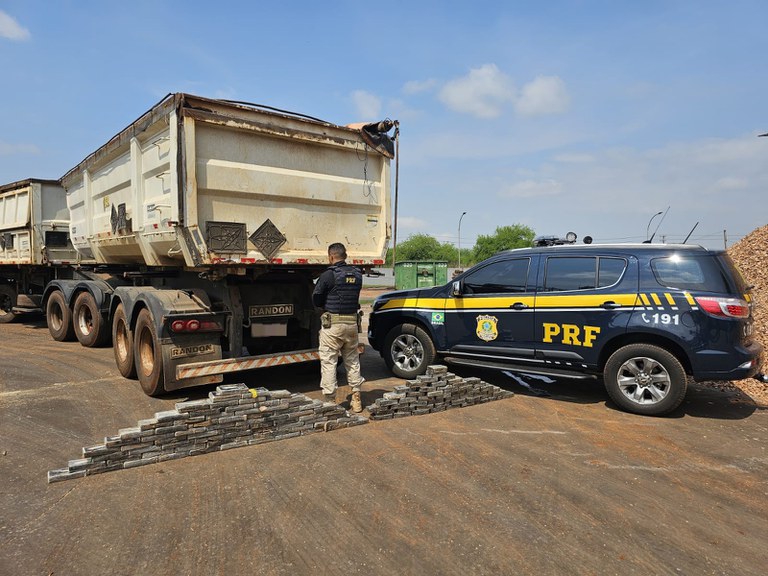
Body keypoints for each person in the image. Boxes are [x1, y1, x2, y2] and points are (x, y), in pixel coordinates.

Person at [312, 242, 364, 413]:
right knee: (352, 361)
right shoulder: (357, 274)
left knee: (329, 361)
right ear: (345, 255)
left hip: (333, 325)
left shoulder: (329, 275)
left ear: (331, 256)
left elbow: (317, 297)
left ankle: (330, 402)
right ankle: (356, 400)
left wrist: (322, 307)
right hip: (352, 324)